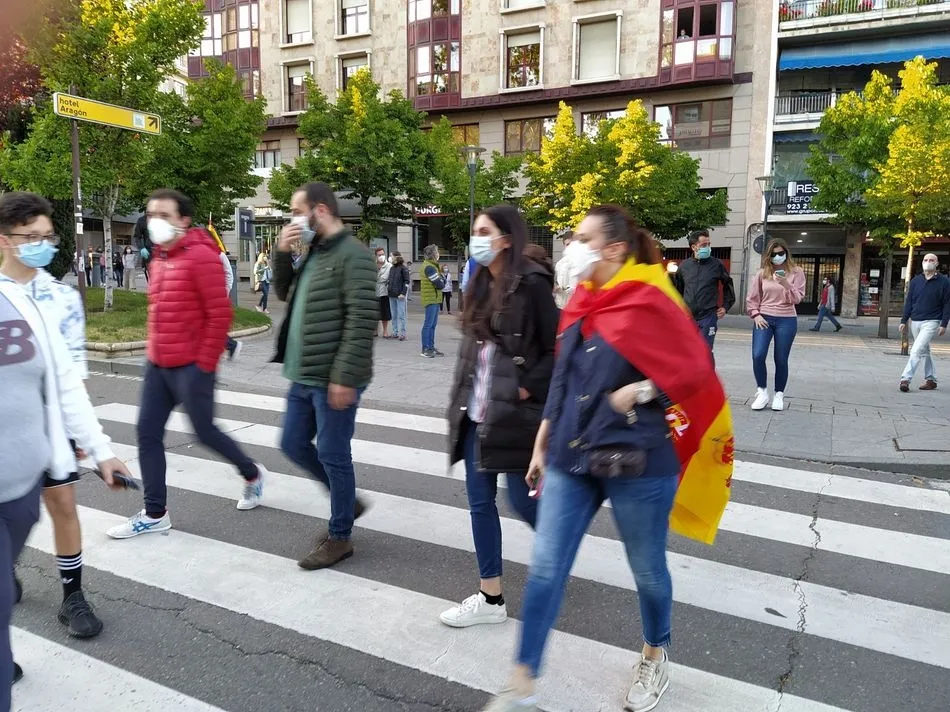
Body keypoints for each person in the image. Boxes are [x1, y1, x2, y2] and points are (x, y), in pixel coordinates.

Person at [481, 204, 731, 712]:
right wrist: (543, 437)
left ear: (613, 248)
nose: (571, 246)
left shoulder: (649, 299)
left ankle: (655, 653)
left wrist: (643, 390)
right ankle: (523, 677)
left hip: (637, 457)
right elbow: (563, 376)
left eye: (581, 237)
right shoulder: (581, 300)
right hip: (572, 453)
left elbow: (695, 369)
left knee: (647, 570)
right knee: (547, 566)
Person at [0, 190, 131, 697]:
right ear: (6, 240)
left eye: (47, 236)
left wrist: (92, 444)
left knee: (60, 507)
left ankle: (72, 595)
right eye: (30, 237)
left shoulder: (57, 298)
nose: (41, 245)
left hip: (47, 438)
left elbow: (70, 378)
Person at [107, 189, 268, 540]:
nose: (155, 221)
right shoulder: (160, 257)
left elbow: (219, 314)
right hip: (158, 364)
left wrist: (204, 364)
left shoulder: (201, 257)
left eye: (164, 215)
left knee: (204, 432)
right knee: (147, 433)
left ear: (183, 220)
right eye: (151, 215)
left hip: (192, 366)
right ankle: (155, 513)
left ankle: (252, 473)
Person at [441, 205, 558, 629]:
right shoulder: (478, 281)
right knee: (479, 503)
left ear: (506, 239)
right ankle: (491, 598)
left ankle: (560, 544)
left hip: (515, 414)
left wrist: (525, 387)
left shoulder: (532, 284)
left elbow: (556, 348)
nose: (476, 238)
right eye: (475, 231)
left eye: (483, 231)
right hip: (477, 414)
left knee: (523, 502)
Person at [273, 182, 377, 570]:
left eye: (296, 211)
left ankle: (340, 536)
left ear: (319, 210)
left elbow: (361, 320)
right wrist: (282, 252)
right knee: (291, 443)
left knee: (334, 454)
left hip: (333, 376)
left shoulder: (355, 255)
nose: (292, 219)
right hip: (303, 373)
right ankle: (346, 501)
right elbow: (284, 293)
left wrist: (344, 377)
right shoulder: (316, 251)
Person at [745, 238, 805, 412]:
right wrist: (756, 315)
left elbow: (798, 298)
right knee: (758, 354)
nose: (777, 257)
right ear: (768, 256)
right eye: (773, 254)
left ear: (786, 253)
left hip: (786, 319)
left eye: (781, 253)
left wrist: (785, 283)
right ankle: (762, 391)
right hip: (764, 317)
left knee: (781, 358)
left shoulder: (797, 272)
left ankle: (779, 394)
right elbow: (752, 297)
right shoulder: (762, 273)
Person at [672, 229, 735, 359]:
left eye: (708, 244)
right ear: (693, 247)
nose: (707, 247)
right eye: (703, 245)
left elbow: (728, 284)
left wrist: (725, 306)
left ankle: (707, 372)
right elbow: (678, 290)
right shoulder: (684, 266)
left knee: (704, 352)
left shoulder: (716, 264)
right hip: (688, 317)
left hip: (708, 316)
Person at [898, 253, 950, 392]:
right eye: (926, 260)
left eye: (931, 260)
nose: (928, 262)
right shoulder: (916, 281)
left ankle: (905, 379)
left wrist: (944, 324)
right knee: (924, 350)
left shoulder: (944, 282)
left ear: (937, 263)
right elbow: (909, 301)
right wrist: (904, 320)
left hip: (932, 321)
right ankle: (931, 380)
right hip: (915, 320)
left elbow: (947, 304)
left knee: (916, 350)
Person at [420, 244, 446, 358]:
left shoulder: (432, 266)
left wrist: (442, 279)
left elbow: (441, 281)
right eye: (437, 252)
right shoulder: (429, 267)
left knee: (432, 325)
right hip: (431, 299)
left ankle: (431, 347)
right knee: (428, 324)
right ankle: (426, 348)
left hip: (434, 298)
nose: (438, 254)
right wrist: (442, 280)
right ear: (433, 254)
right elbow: (440, 284)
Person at [219, 249, 242, 361]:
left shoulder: (220, 255)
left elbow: (229, 274)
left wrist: (225, 292)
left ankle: (232, 345)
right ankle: (230, 345)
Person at [553, 230, 582, 309]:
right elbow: (557, 282)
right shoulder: (560, 264)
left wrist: (575, 289)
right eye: (568, 244)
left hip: (579, 306)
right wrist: (556, 287)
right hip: (562, 305)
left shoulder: (585, 262)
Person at [387, 251, 410, 341]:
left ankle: (403, 333)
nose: (390, 257)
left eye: (391, 256)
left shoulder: (403, 268)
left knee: (401, 315)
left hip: (400, 295)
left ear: (396, 257)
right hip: (391, 294)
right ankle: (395, 332)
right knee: (394, 315)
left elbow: (407, 282)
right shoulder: (392, 268)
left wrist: (403, 293)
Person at [375, 246, 393, 338]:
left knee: (384, 313)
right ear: (376, 256)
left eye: (382, 254)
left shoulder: (389, 266)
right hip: (374, 291)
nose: (381, 256)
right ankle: (375, 331)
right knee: (374, 312)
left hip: (384, 292)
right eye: (379, 255)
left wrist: (377, 277)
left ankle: (385, 331)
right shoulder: (373, 265)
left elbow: (385, 278)